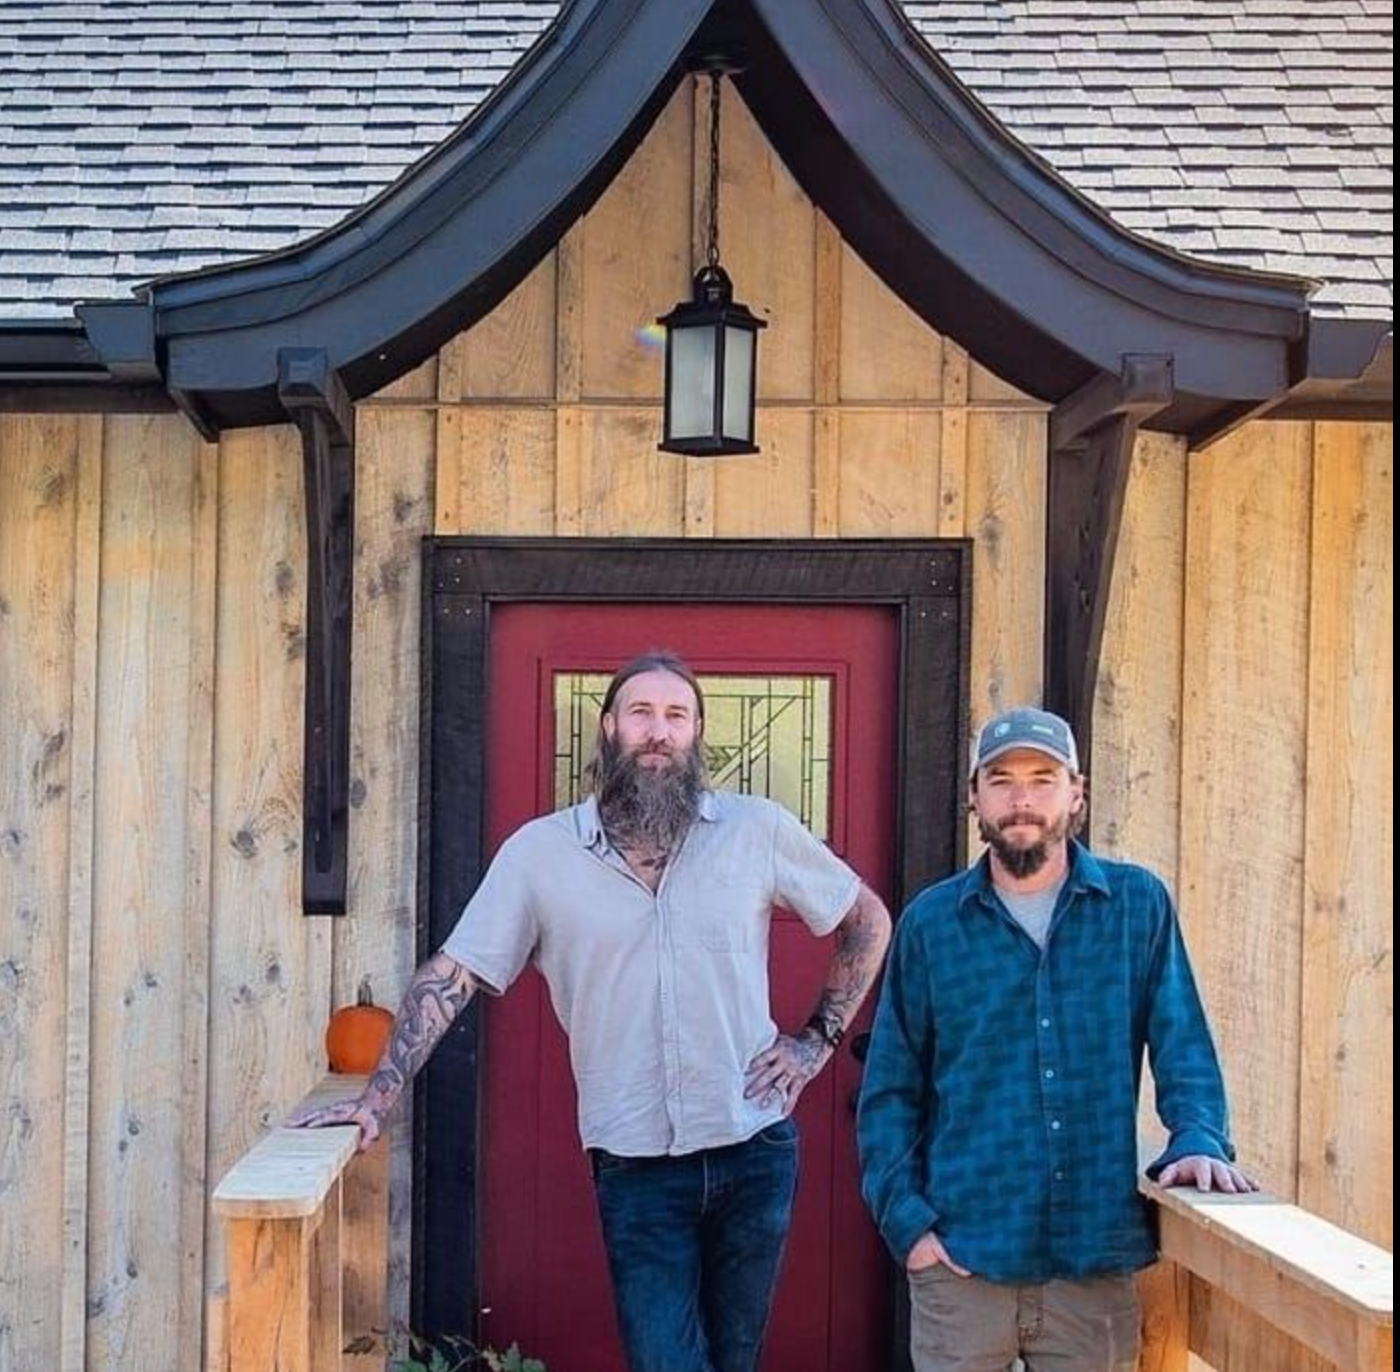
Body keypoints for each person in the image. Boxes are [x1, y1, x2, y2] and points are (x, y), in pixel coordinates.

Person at [295, 651, 892, 1372]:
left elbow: (867, 920)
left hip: (754, 1147)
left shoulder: (755, 830)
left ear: (698, 733)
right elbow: (452, 978)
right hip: (636, 1165)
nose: (658, 732)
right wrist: (376, 1098)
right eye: (641, 713)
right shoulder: (540, 855)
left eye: (677, 716)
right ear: (608, 728)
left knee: (735, 1362)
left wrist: (815, 1043)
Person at [857, 705, 1255, 1372]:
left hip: (1092, 1265)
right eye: (1001, 780)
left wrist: (1198, 1137)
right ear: (974, 798)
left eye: (1043, 779)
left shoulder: (1135, 906)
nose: (1022, 800)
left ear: (1078, 792)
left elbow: (1182, 1039)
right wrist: (909, 1225)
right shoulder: (931, 924)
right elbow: (890, 1090)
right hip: (962, 1261)